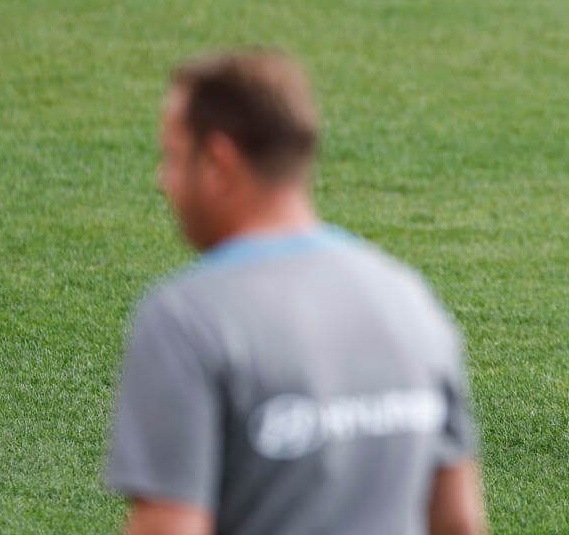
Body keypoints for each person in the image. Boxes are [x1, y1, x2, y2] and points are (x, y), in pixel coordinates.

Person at [105, 50, 486, 534]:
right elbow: (459, 522)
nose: (163, 181)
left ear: (219, 162)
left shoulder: (188, 320)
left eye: (174, 157)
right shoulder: (409, 300)